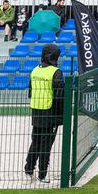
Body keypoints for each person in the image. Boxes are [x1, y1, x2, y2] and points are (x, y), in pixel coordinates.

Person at [25, 44, 65, 184]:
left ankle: (29, 170)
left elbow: (30, 91)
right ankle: (42, 175)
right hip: (50, 112)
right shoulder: (56, 72)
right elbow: (60, 96)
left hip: (36, 111)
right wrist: (61, 115)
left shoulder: (35, 70)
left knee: (35, 142)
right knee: (46, 145)